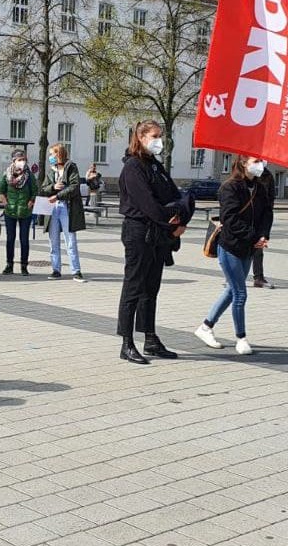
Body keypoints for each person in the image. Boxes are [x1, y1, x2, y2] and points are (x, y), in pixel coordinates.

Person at [117, 120, 187, 364]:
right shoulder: (134, 166)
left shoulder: (154, 165)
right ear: (141, 137)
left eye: (161, 136)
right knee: (133, 287)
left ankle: (150, 338)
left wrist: (180, 215)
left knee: (151, 288)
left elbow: (173, 195)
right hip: (139, 232)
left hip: (157, 233)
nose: (159, 140)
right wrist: (172, 225)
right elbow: (148, 204)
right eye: (155, 136)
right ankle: (126, 342)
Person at [194, 155, 273, 355]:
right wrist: (253, 236)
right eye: (255, 161)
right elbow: (229, 218)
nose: (260, 165)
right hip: (231, 246)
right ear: (243, 164)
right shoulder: (229, 188)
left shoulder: (260, 187)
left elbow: (267, 214)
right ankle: (241, 338)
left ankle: (205, 327)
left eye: (261, 161)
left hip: (249, 247)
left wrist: (263, 235)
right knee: (240, 293)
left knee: (232, 290)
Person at [44, 142, 86, 282]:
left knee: (70, 240)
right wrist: (53, 187)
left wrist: (58, 195)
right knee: (53, 240)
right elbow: (44, 188)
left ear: (59, 154)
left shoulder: (71, 167)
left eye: (52, 154)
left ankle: (76, 271)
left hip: (67, 206)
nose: (50, 157)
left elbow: (74, 187)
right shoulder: (51, 170)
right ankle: (56, 269)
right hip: (53, 207)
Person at [0, 149, 37, 276]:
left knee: (24, 240)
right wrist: (4, 201)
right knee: (10, 239)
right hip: (10, 211)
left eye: (24, 160)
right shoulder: (6, 174)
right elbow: (1, 190)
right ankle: (9, 265)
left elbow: (35, 191)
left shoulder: (29, 175)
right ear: (14, 161)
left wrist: (31, 201)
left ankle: (24, 266)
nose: (22, 162)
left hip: (25, 212)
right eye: (19, 160)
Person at [251, 165, 276, 289]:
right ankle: (232, 278)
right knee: (238, 251)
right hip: (243, 219)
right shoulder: (241, 175)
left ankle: (259, 278)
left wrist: (265, 230)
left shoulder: (267, 176)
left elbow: (271, 199)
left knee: (258, 250)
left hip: (259, 218)